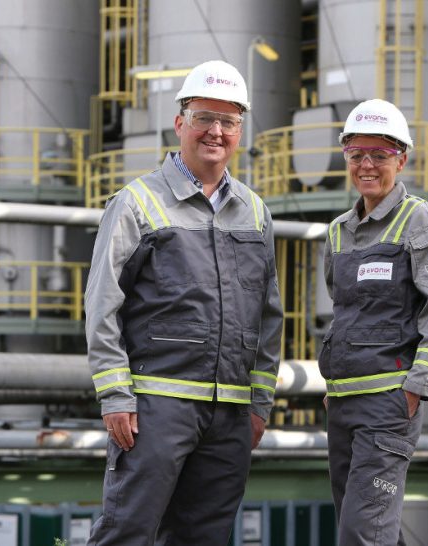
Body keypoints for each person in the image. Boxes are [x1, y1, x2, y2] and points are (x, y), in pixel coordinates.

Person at [84, 59, 283, 546]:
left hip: (231, 412)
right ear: (180, 123)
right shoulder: (136, 203)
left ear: (240, 130)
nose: (216, 131)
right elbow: (101, 303)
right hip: (157, 406)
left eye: (229, 121)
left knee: (205, 536)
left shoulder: (255, 211)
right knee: (127, 531)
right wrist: (115, 394)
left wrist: (259, 401)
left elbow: (270, 315)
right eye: (204, 118)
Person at [320, 99, 428, 545]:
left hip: (388, 403)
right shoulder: (338, 230)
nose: (367, 165)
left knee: (363, 533)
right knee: (365, 525)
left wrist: (419, 384)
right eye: (357, 154)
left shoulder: (417, 219)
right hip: (343, 402)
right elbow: (344, 309)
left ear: (401, 159)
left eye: (379, 155)